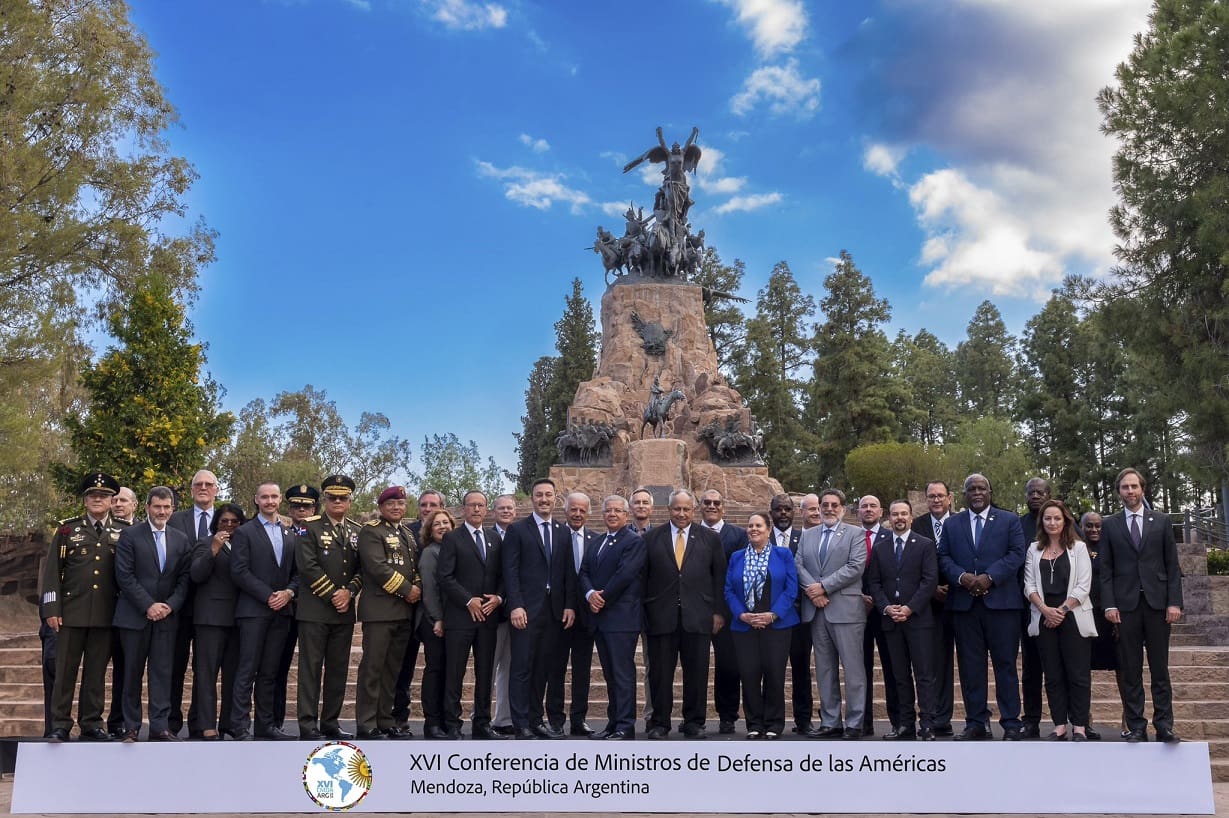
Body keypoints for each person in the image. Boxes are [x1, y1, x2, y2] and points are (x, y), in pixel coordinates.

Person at [937, 473, 1027, 741]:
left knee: (1006, 666)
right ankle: (976, 722)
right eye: (971, 489)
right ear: (963, 494)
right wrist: (962, 577)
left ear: (990, 492)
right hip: (965, 607)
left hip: (1002, 606)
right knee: (970, 668)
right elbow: (943, 556)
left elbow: (1016, 554)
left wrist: (990, 577)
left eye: (981, 488)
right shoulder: (953, 524)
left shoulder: (1009, 520)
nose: (976, 492)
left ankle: (1011, 723)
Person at [41, 472, 127, 742]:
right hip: (70, 613)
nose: (97, 500)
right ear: (85, 499)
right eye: (92, 495)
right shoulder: (68, 529)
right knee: (65, 670)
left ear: (112, 500)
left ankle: (91, 722)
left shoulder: (124, 531)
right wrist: (51, 609)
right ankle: (60, 723)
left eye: (103, 496)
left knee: (96, 672)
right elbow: (53, 571)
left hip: (106, 613)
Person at [1100, 467, 1183, 743]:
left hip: (1158, 605)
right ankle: (1136, 725)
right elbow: (1106, 569)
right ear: (1119, 492)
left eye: (1134, 486)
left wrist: (1174, 602)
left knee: (1160, 669)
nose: (1130, 491)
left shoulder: (1161, 521)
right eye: (1125, 487)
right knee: (1131, 669)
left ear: (1142, 489)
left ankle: (1164, 725)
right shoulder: (1110, 524)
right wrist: (1109, 604)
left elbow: (1172, 566)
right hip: (1125, 607)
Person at [643, 489, 726, 739]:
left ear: (693, 510)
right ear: (668, 510)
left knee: (697, 673)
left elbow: (719, 577)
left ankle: (694, 722)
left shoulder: (710, 539)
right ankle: (660, 723)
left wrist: (718, 612)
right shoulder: (651, 538)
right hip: (661, 617)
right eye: (677, 509)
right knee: (660, 674)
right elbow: (643, 578)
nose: (681, 513)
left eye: (686, 509)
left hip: (698, 616)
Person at [114, 486, 192, 742]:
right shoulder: (129, 535)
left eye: (166, 507)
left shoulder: (180, 539)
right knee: (131, 674)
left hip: (167, 619)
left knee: (162, 674)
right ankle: (131, 727)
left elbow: (184, 578)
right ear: (147, 507)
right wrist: (148, 605)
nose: (161, 511)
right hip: (135, 616)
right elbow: (124, 575)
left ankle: (159, 726)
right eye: (157, 506)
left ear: (172, 509)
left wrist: (169, 605)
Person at [501, 477, 576, 739]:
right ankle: (520, 722)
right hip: (526, 612)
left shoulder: (564, 531)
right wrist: (516, 605)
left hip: (554, 613)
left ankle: (535, 719)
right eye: (539, 495)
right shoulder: (518, 530)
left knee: (542, 669)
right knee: (522, 667)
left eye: (548, 495)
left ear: (556, 498)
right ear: (532, 498)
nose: (544, 499)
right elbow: (510, 571)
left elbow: (568, 573)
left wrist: (569, 605)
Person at [230, 482, 299, 741]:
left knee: (270, 672)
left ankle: (265, 725)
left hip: (282, 611)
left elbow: (297, 572)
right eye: (265, 497)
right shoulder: (245, 532)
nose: (270, 501)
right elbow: (239, 571)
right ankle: (239, 726)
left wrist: (289, 593)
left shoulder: (289, 533)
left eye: (274, 496)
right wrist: (267, 595)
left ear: (279, 499)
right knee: (247, 670)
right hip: (253, 611)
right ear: (256, 500)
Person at [295, 475, 362, 741]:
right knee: (310, 669)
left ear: (349, 501)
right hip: (315, 610)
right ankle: (308, 724)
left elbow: (362, 569)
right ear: (324, 500)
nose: (337, 502)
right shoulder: (308, 527)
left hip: (344, 612)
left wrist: (350, 592)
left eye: (342, 498)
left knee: (338, 669)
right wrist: (334, 594)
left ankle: (330, 721)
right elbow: (307, 566)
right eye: (332, 497)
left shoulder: (357, 530)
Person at [795, 488, 866, 740]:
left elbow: (855, 567)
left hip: (846, 611)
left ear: (843, 509)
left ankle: (855, 723)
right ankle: (830, 722)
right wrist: (814, 592)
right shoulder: (809, 535)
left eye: (834, 505)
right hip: (816, 611)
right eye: (824, 504)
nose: (828, 509)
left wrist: (823, 586)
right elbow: (798, 564)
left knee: (853, 669)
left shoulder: (855, 534)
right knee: (825, 669)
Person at [1024, 499, 1096, 741]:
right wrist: (1046, 610)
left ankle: (1079, 726)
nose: (1052, 522)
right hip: (1044, 620)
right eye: (1047, 518)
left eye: (1057, 518)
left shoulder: (1079, 548)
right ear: (1041, 522)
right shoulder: (1033, 549)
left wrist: (1061, 611)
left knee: (1078, 674)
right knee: (1052, 674)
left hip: (1073, 617)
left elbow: (1083, 585)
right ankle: (1059, 725)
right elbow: (1029, 585)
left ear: (1065, 520)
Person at [438, 490, 506, 740]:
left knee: (485, 673)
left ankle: (482, 723)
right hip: (460, 617)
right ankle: (453, 723)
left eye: (481, 505)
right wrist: (468, 600)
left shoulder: (494, 539)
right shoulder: (452, 538)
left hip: (488, 618)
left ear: (486, 509)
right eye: (472, 505)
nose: (476, 509)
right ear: (463, 509)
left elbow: (502, 575)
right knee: (454, 672)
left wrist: (498, 597)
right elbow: (445, 576)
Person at [868, 500, 939, 740]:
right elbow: (874, 583)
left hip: (918, 620)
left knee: (924, 674)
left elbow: (929, 581)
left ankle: (927, 724)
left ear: (911, 517)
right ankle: (904, 724)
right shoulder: (880, 547)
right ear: (889, 517)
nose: (899, 518)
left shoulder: (925, 545)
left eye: (904, 514)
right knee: (899, 676)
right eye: (895, 514)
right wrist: (886, 608)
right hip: (890, 620)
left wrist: (909, 608)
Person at [725, 511, 798, 740]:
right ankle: (754, 724)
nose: (753, 529)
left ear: (768, 530)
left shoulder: (783, 554)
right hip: (745, 626)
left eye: (758, 525)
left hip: (777, 625)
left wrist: (773, 614)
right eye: (750, 526)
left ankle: (774, 724)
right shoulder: (737, 556)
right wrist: (742, 615)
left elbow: (791, 588)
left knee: (774, 674)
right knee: (749, 674)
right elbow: (728, 589)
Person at [355, 486, 421, 740]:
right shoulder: (372, 531)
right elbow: (377, 567)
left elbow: (414, 566)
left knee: (392, 671)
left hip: (403, 612)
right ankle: (367, 723)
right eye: (391, 503)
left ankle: (385, 720)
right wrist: (407, 590)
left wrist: (418, 587)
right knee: (373, 669)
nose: (396, 507)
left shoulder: (407, 533)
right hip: (380, 611)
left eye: (400, 503)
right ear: (382, 507)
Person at [580, 495, 646, 741]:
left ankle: (625, 726)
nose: (612, 514)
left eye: (618, 511)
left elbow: (625, 575)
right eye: (608, 510)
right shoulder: (596, 542)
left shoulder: (633, 541)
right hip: (600, 619)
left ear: (626, 515)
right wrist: (589, 594)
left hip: (621, 619)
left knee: (622, 674)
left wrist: (601, 598)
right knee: (609, 675)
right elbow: (584, 571)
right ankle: (612, 722)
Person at [168, 469, 219, 737]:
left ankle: (200, 722)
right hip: (178, 606)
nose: (203, 488)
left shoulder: (227, 522)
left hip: (212, 608)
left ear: (216, 490)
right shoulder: (175, 520)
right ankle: (170, 723)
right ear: (190, 490)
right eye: (198, 484)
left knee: (205, 669)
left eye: (208, 484)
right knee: (173, 666)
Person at [189, 503, 245, 740]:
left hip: (238, 618)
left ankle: (228, 723)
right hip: (210, 618)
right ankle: (206, 724)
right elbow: (196, 574)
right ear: (216, 523)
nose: (230, 525)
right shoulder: (205, 542)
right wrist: (213, 549)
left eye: (235, 521)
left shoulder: (244, 545)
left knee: (233, 675)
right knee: (206, 674)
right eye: (225, 521)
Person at [393, 489, 444, 733]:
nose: (427, 508)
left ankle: (436, 719)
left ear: (442, 507)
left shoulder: (450, 535)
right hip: (406, 608)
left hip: (436, 612)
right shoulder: (406, 532)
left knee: (438, 666)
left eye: (433, 504)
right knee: (403, 666)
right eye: (423, 504)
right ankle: (399, 718)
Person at [699, 489, 749, 734]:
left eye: (716, 503)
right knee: (694, 665)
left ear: (723, 508)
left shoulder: (738, 536)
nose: (711, 506)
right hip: (693, 609)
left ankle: (727, 715)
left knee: (729, 665)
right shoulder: (690, 533)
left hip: (728, 611)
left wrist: (720, 610)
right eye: (706, 502)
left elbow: (736, 575)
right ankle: (694, 717)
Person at [550, 491, 597, 735]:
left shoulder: (596, 539)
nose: (577, 514)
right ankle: (556, 720)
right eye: (573, 509)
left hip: (587, 616)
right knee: (555, 669)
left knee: (582, 670)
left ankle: (579, 719)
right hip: (558, 615)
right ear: (565, 511)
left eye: (582, 510)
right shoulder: (555, 536)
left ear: (588, 513)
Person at [911, 480, 955, 736]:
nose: (936, 500)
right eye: (931, 496)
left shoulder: (960, 523)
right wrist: (931, 590)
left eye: (940, 496)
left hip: (961, 600)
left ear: (950, 498)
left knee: (965, 664)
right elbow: (910, 564)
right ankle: (938, 717)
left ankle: (974, 718)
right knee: (935, 663)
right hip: (928, 605)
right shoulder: (918, 525)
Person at [770, 493, 812, 734]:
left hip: (799, 616)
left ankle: (804, 719)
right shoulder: (762, 539)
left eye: (787, 509)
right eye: (778, 510)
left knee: (801, 669)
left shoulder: (804, 538)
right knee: (773, 669)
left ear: (794, 512)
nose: (783, 513)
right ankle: (773, 720)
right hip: (772, 617)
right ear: (771, 513)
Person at [857, 495, 899, 737]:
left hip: (885, 610)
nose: (869, 509)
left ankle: (897, 721)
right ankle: (863, 722)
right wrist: (858, 597)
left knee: (891, 667)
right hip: (857, 609)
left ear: (881, 511)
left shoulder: (889, 537)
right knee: (860, 670)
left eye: (873, 506)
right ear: (857, 511)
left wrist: (879, 600)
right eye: (864, 506)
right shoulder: (851, 536)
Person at [1017, 476, 1052, 739]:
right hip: (1027, 607)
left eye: (1040, 492)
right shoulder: (1017, 526)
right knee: (1031, 669)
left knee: (1061, 668)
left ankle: (1068, 719)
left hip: (1061, 609)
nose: (1035, 496)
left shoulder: (1061, 523)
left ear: (1049, 494)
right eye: (1031, 493)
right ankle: (1031, 720)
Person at [416, 507, 455, 739]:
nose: (442, 526)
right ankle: (431, 723)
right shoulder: (431, 553)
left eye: (446, 522)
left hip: (450, 620)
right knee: (435, 669)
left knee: (447, 671)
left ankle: (443, 720)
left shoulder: (451, 550)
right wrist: (438, 618)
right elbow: (429, 591)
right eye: (437, 524)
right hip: (433, 621)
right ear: (430, 530)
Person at [489, 494, 518, 736]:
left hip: (517, 613)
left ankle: (504, 718)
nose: (506, 511)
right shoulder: (487, 536)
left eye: (510, 508)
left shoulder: (520, 535)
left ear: (516, 511)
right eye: (502, 508)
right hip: (491, 612)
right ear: (494, 511)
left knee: (509, 666)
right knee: (489, 665)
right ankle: (480, 716)